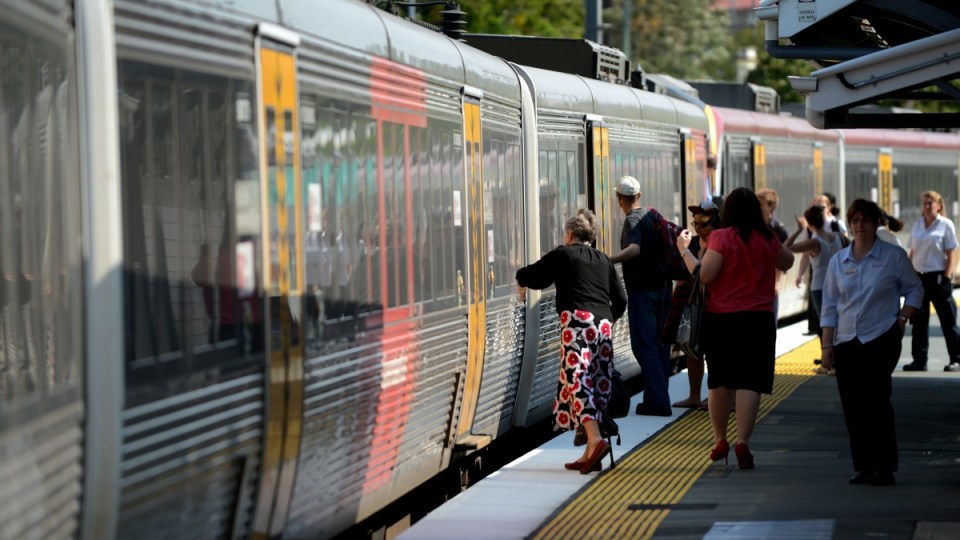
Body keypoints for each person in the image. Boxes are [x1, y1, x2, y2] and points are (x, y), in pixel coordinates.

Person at [676, 187, 794, 470]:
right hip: (759, 320)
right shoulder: (767, 238)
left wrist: (684, 251)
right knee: (750, 382)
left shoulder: (721, 237)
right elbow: (787, 261)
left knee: (719, 381)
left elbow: (705, 275)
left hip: (722, 319)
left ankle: (720, 439)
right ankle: (743, 441)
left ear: (727, 211)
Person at [820, 199, 923, 486]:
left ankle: (885, 466)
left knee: (877, 401)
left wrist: (902, 319)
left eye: (865, 220)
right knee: (853, 405)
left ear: (877, 223)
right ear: (849, 224)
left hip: (881, 336)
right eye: (854, 221)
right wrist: (827, 347)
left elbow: (915, 289)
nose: (859, 225)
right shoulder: (839, 261)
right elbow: (829, 305)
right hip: (846, 341)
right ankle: (863, 465)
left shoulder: (893, 256)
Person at [516, 209, 627, 474]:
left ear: (569, 234)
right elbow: (621, 300)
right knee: (596, 381)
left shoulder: (562, 254)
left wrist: (519, 276)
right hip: (602, 327)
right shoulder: (603, 260)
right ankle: (591, 453)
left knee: (576, 379)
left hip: (576, 324)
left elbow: (535, 276)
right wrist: (606, 320)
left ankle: (595, 438)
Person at [609, 176, 673, 417]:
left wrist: (609, 259)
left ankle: (658, 401)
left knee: (644, 345)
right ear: (639, 194)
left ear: (619, 198)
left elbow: (634, 250)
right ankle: (658, 395)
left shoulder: (632, 220)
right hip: (664, 289)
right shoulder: (652, 215)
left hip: (644, 291)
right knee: (659, 346)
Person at [662, 198, 721, 409]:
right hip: (695, 304)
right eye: (695, 222)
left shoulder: (720, 243)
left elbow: (702, 272)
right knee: (692, 350)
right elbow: (682, 276)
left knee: (715, 355)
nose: (697, 226)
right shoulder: (694, 242)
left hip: (717, 305)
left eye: (703, 221)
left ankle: (718, 398)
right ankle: (694, 396)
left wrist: (684, 251)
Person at [904, 190, 960, 372]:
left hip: (938, 276)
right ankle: (919, 360)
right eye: (924, 203)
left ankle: (956, 358)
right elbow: (912, 252)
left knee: (947, 320)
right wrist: (908, 274)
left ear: (939, 205)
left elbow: (952, 252)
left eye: (930, 203)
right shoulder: (918, 225)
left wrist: (947, 276)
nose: (927, 206)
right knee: (919, 321)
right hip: (919, 277)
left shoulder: (946, 225)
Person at [785, 205, 843, 374]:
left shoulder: (813, 242)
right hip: (838, 285)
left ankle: (830, 364)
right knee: (838, 324)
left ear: (809, 224)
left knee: (824, 325)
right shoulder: (838, 237)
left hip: (820, 287)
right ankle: (833, 363)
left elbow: (785, 247)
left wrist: (798, 230)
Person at [756, 189, 789, 321]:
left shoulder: (779, 231)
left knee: (769, 325)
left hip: (769, 285)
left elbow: (781, 260)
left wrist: (776, 282)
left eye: (760, 205)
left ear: (771, 207)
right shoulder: (751, 228)